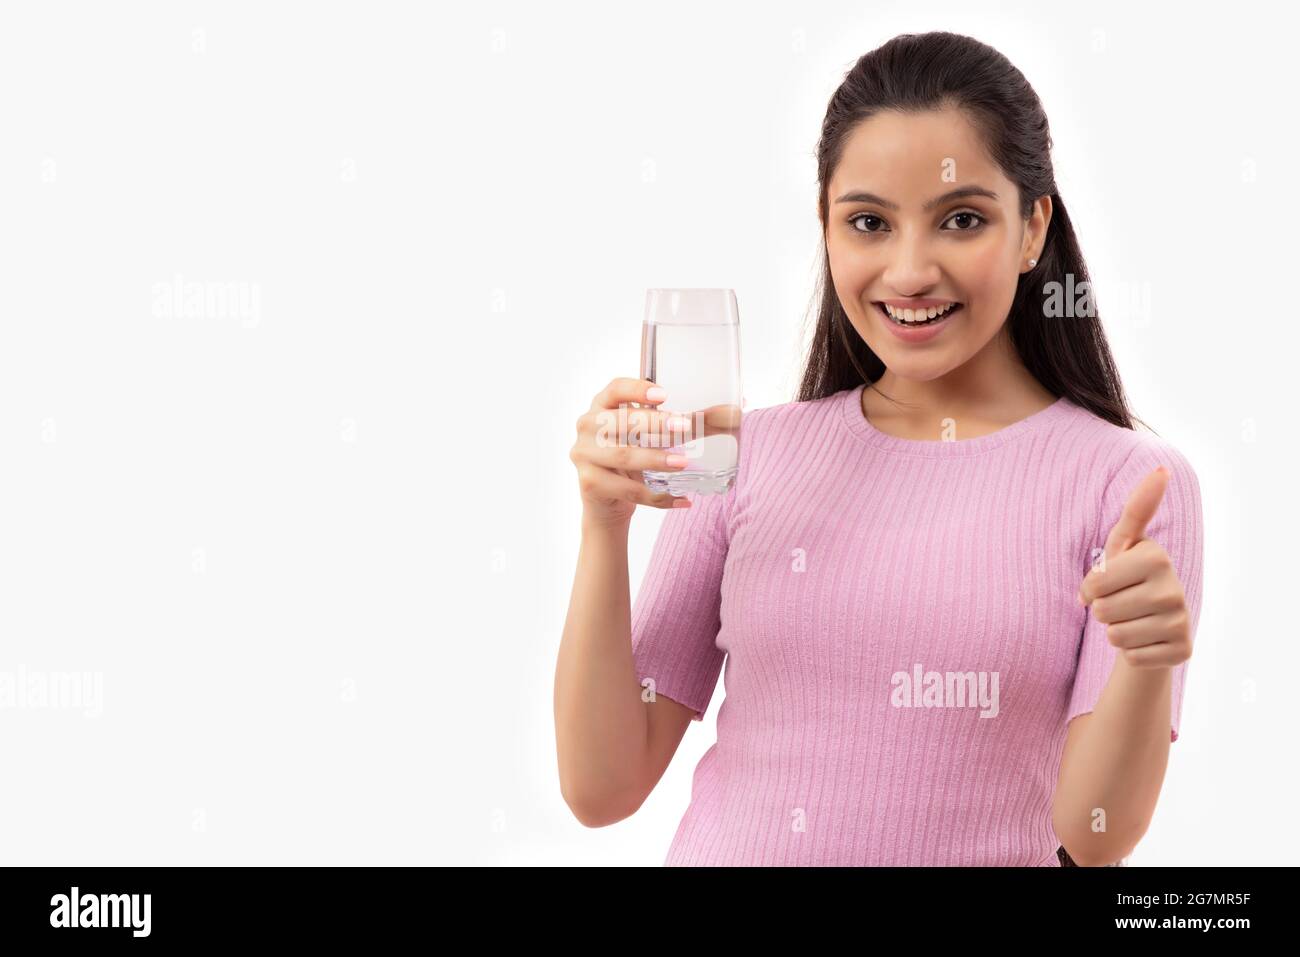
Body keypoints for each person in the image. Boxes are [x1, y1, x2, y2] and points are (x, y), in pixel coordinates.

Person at [555, 31, 1203, 867]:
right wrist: (603, 526)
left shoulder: (1127, 486)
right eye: (868, 222)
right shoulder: (745, 455)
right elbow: (602, 787)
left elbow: (1092, 835)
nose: (908, 271)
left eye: (961, 219)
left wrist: (1146, 662)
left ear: (1033, 226)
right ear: (826, 226)